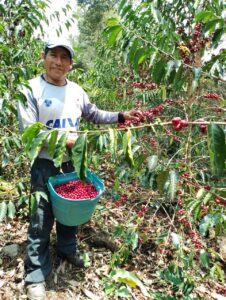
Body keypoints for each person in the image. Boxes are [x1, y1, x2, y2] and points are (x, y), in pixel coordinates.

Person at [17, 38, 141, 300]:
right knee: (41, 219)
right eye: (54, 55)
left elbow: (93, 114)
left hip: (71, 163)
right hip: (44, 164)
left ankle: (66, 248)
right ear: (44, 57)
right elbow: (29, 133)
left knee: (70, 212)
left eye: (64, 58)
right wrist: (65, 139)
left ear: (71, 65)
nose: (58, 62)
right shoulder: (30, 89)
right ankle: (36, 274)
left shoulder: (76, 91)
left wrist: (121, 116)